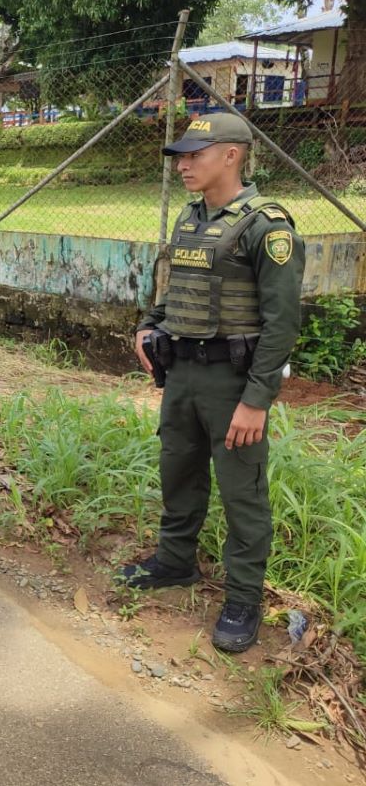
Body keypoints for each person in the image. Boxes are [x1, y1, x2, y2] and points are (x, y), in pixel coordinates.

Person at [126, 112, 305, 653]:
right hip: (181, 376)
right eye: (180, 155)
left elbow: (283, 324)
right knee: (177, 472)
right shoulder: (191, 219)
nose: (183, 164)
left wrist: (257, 401)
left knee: (242, 495)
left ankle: (244, 598)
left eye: (193, 155)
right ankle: (176, 562)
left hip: (233, 384)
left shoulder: (266, 227)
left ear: (231, 155)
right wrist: (148, 325)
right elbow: (174, 288)